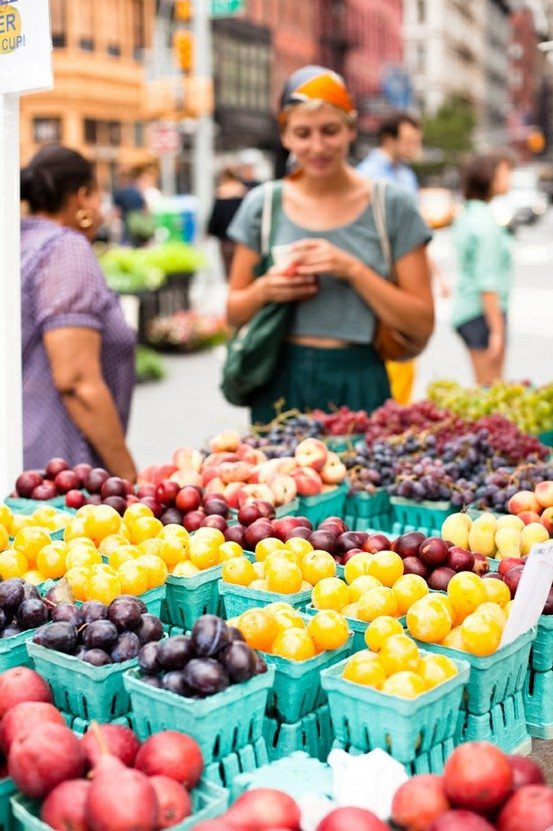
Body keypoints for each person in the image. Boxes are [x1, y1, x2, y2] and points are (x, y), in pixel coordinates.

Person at [225, 65, 434, 425]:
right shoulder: (263, 205)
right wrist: (265, 289)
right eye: (303, 133)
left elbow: (421, 322)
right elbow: (233, 312)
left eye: (330, 131)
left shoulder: (392, 206)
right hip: (278, 379)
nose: (317, 146)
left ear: (352, 129)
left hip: (360, 379)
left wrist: (351, 269)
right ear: (285, 136)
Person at [20, 145, 137, 480]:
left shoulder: (19, 241)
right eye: (99, 197)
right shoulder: (65, 248)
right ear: (83, 196)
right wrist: (128, 478)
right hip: (63, 470)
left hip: (26, 459)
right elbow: (76, 380)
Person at [357, 112, 449, 404]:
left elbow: (413, 239)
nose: (414, 147)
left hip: (405, 277)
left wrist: (435, 274)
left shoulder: (405, 175)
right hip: (378, 279)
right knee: (387, 353)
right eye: (408, 141)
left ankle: (395, 414)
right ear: (388, 139)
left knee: (406, 350)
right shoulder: (369, 175)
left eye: (416, 141)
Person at [452, 151, 514, 385]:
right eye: (505, 173)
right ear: (488, 177)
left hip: (471, 310)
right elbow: (487, 281)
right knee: (490, 390)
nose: (509, 179)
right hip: (483, 314)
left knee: (485, 387)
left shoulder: (469, 213)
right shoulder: (485, 223)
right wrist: (497, 330)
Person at [207, 168, 248, 277]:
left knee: (228, 270)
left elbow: (215, 218)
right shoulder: (244, 193)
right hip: (242, 240)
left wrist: (211, 231)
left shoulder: (221, 194)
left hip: (225, 240)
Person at [113, 167, 147, 246]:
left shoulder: (120, 193)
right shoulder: (136, 191)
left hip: (127, 223)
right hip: (139, 222)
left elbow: (117, 211)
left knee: (127, 244)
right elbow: (145, 208)